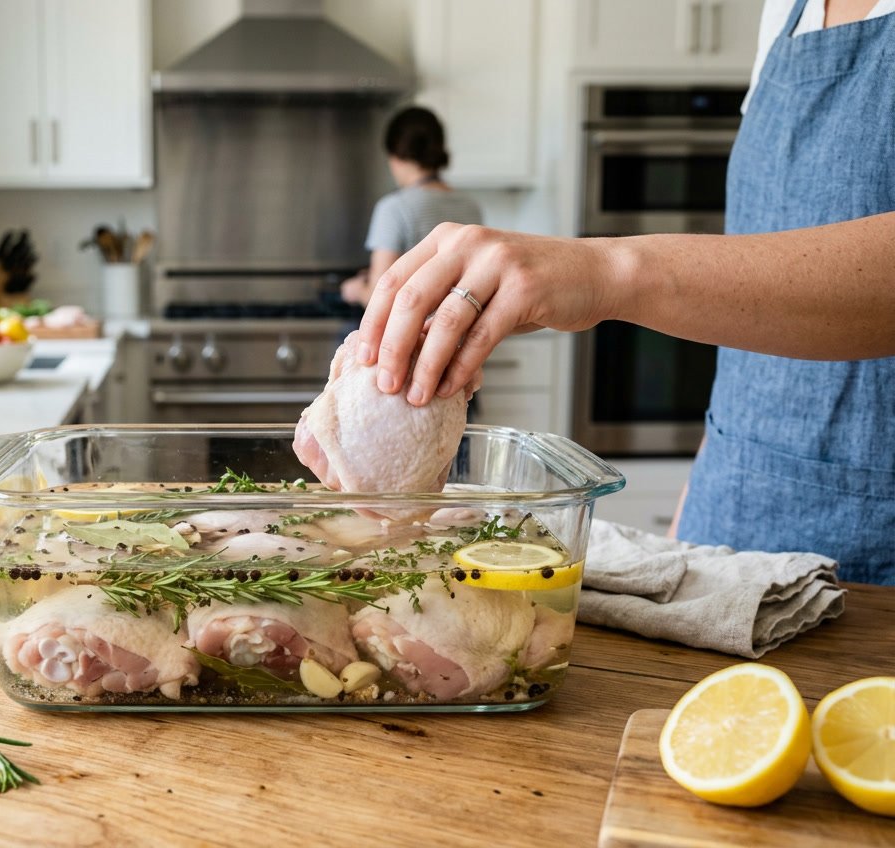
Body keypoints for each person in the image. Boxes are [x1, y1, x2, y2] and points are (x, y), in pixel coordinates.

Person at [353, 0, 895, 585]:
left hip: (874, 552)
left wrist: (606, 269)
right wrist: (696, 495)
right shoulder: (785, 10)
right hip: (727, 516)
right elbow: (757, 342)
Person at [340, 107, 483, 309]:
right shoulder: (470, 206)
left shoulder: (394, 208)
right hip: (460, 323)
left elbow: (378, 297)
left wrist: (355, 290)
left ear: (395, 156)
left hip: (414, 326)